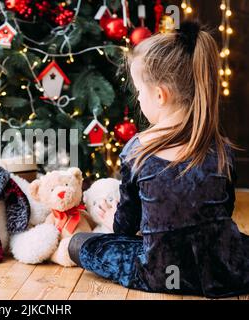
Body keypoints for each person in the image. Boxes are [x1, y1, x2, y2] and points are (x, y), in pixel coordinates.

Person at [69, 21, 249, 298]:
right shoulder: (222, 149)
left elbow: (125, 228)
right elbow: (220, 213)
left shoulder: (137, 150)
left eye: (139, 92)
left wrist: (112, 219)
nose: (139, 99)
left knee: (81, 244)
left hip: (160, 273)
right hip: (221, 273)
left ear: (160, 95)